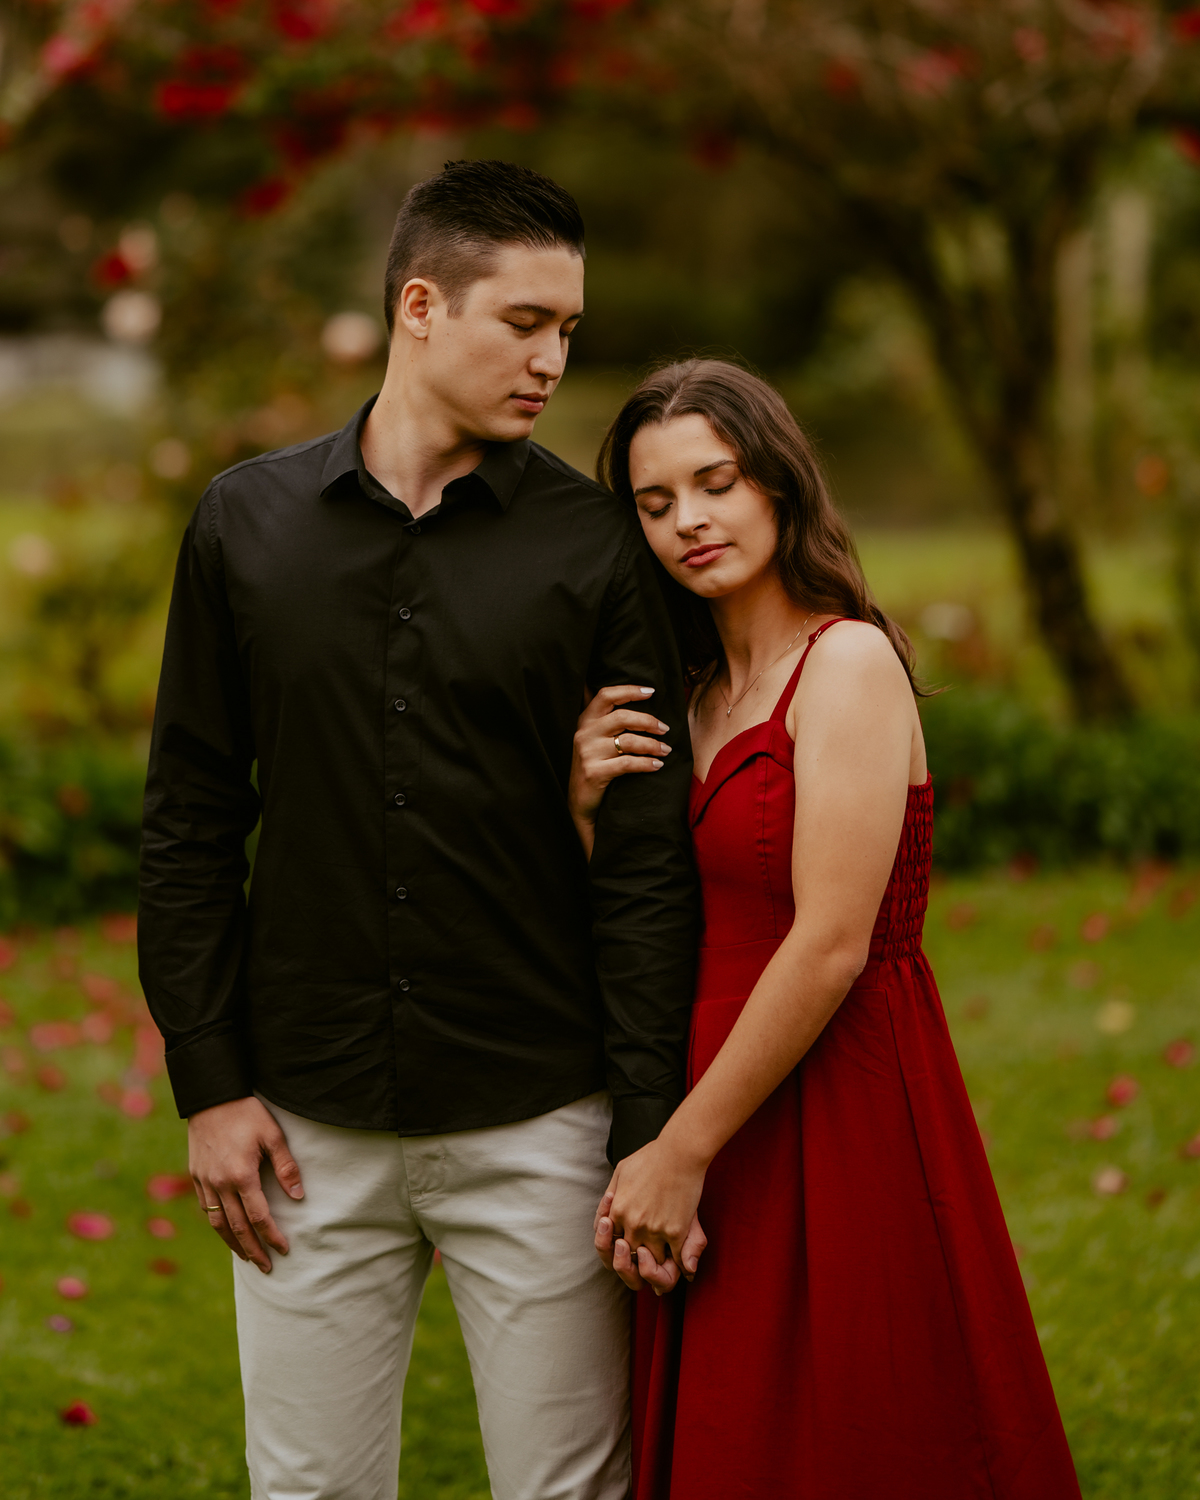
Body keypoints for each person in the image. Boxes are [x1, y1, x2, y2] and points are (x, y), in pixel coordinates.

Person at [137, 160, 698, 1500]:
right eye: (526, 323)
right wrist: (211, 1084)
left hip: (540, 1117)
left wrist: (644, 1125)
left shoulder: (599, 549)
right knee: (310, 1490)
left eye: (569, 329)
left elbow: (645, 865)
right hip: (301, 1125)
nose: (555, 359)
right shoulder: (245, 525)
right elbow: (193, 817)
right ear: (421, 306)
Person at [569, 359, 1082, 1499]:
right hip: (708, 1084)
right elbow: (657, 918)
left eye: (717, 482)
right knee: (733, 1432)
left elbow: (829, 943)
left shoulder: (844, 662)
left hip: (834, 1084)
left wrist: (678, 1153)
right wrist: (586, 809)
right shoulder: (691, 694)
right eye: (656, 504)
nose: (690, 522)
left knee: (852, 1420)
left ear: (779, 485)